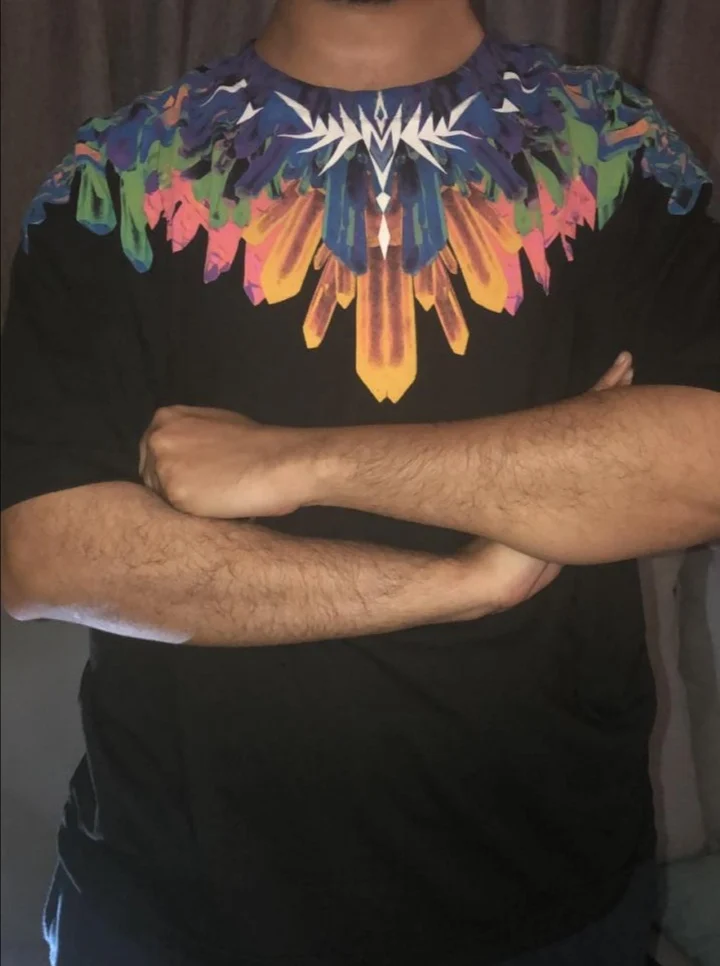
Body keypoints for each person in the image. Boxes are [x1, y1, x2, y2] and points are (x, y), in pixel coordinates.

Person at [1, 0, 718, 962]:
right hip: (173, 912)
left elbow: (704, 462)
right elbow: (45, 550)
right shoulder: (115, 172)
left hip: (552, 902)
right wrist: (459, 585)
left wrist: (299, 460)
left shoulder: (617, 145)